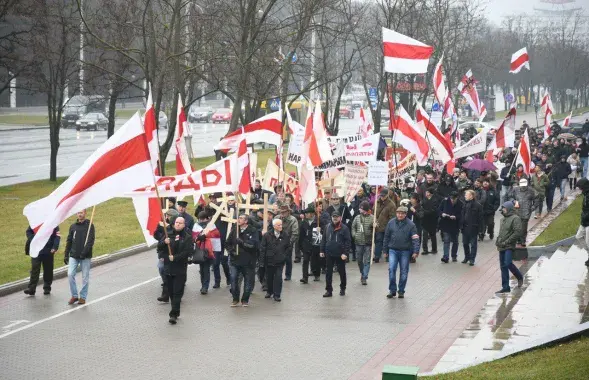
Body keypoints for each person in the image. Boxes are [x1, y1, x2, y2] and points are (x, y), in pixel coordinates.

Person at [158, 217, 192, 324]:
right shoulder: (168, 234)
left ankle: (173, 314)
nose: (177, 224)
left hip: (180, 269)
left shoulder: (187, 237)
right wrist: (164, 242)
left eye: (180, 223)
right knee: (171, 292)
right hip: (168, 269)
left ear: (184, 225)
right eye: (176, 222)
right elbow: (159, 249)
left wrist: (176, 257)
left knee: (178, 292)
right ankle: (176, 310)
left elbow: (187, 252)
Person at [383, 206, 420, 299]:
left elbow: (415, 238)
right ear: (396, 213)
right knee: (391, 269)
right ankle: (392, 290)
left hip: (405, 251)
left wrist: (416, 251)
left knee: (404, 272)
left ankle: (401, 291)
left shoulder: (411, 225)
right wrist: (385, 250)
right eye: (398, 213)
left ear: (405, 214)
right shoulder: (391, 223)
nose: (400, 215)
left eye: (402, 213)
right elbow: (386, 237)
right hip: (393, 250)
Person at [226, 214, 259, 307]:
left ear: (246, 221)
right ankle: (235, 299)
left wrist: (242, 243)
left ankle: (245, 300)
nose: (239, 220)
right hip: (235, 260)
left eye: (241, 218)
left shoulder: (253, 231)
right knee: (233, 280)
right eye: (238, 218)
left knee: (248, 281)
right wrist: (231, 251)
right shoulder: (235, 230)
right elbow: (227, 243)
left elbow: (254, 246)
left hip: (248, 261)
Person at [64, 209, 95, 305]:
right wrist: (66, 254)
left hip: (85, 257)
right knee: (70, 274)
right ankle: (74, 295)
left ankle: (83, 297)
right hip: (74, 255)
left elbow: (90, 241)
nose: (80, 214)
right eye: (78, 213)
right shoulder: (73, 227)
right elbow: (69, 241)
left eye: (81, 212)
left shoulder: (90, 226)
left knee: (85, 277)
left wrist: (84, 253)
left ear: (85, 213)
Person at [320, 210, 352, 297]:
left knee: (342, 272)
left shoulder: (344, 228)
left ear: (340, 218)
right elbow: (324, 239)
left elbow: (348, 242)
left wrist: (345, 253)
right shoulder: (327, 227)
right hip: (329, 253)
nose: (335, 218)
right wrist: (322, 250)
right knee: (328, 273)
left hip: (340, 254)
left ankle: (343, 288)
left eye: (336, 217)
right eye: (333, 216)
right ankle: (329, 290)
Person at [495, 202, 524, 294]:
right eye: (502, 208)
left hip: (509, 246)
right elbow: (501, 232)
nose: (503, 210)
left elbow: (517, 232)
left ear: (509, 209)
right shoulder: (503, 219)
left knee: (507, 263)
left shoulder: (515, 218)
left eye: (504, 208)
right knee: (503, 266)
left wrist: (506, 242)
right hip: (501, 245)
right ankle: (505, 287)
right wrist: (498, 241)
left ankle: (519, 276)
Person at [260, 218, 291, 302]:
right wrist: (262, 261)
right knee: (269, 277)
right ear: (274, 226)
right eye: (278, 225)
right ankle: (269, 291)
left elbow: (288, 247)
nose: (281, 226)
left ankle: (277, 294)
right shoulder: (267, 235)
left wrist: (284, 255)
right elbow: (263, 248)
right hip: (269, 260)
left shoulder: (285, 235)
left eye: (281, 225)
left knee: (278, 277)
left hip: (280, 261)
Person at [24, 226, 60, 296]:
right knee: (34, 269)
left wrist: (55, 247)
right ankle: (31, 289)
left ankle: (47, 287)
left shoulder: (53, 221)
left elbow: (57, 236)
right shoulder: (36, 220)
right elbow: (28, 232)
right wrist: (34, 239)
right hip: (36, 250)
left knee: (48, 269)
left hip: (48, 249)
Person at [192, 211, 220, 295]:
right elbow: (193, 236)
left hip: (209, 250)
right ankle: (203, 285)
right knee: (202, 269)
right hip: (200, 249)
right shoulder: (196, 225)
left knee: (206, 269)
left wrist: (207, 236)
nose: (201, 220)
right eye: (200, 219)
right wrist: (198, 237)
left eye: (203, 219)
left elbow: (216, 235)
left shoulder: (211, 225)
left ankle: (205, 287)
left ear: (207, 218)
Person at [155, 208, 179, 302]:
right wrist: (159, 233)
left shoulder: (179, 229)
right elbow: (159, 240)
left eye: (168, 216)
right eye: (166, 216)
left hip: (175, 257)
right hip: (165, 255)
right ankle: (165, 295)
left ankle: (174, 295)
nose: (167, 217)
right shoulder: (163, 227)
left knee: (174, 276)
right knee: (164, 272)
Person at [506, 178, 537, 247]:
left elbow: (536, 199)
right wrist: (514, 202)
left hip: (526, 211)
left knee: (524, 227)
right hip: (517, 210)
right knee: (517, 226)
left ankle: (523, 240)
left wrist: (533, 207)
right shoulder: (515, 190)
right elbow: (510, 197)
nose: (523, 187)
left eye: (524, 185)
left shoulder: (531, 190)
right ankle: (519, 239)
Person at [351, 201, 374, 285]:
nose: (360, 210)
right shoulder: (357, 218)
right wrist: (354, 235)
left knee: (367, 261)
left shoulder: (372, 218)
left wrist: (375, 225)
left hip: (368, 242)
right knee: (359, 260)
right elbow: (353, 227)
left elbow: (376, 229)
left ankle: (364, 277)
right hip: (358, 242)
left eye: (361, 208)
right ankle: (362, 272)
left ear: (365, 209)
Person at [299, 206, 322, 283]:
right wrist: (300, 246)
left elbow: (325, 232)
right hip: (306, 244)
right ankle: (305, 277)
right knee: (305, 260)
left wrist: (320, 230)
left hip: (315, 244)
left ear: (312, 214)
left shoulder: (318, 221)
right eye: (305, 213)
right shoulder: (303, 223)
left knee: (315, 261)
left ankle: (316, 274)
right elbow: (301, 235)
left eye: (307, 213)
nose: (306, 215)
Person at [374, 187, 396, 263]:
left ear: (387, 195)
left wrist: (389, 227)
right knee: (378, 241)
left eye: (384, 196)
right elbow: (374, 212)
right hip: (378, 226)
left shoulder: (391, 204)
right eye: (381, 195)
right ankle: (377, 256)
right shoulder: (377, 202)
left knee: (387, 242)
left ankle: (387, 256)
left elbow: (392, 217)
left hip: (387, 227)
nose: (382, 197)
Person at [461, 190, 483, 266]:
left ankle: (472, 259)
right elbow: (462, 215)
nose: (465, 196)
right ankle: (467, 257)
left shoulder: (478, 205)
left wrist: (480, 230)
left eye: (466, 195)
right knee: (465, 244)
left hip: (473, 228)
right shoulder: (464, 204)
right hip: (465, 227)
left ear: (471, 196)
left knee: (473, 245)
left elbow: (480, 218)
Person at [439, 191, 462, 263]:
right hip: (446, 224)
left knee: (455, 241)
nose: (452, 200)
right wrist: (442, 214)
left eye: (454, 199)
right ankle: (445, 256)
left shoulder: (460, 203)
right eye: (451, 198)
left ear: (457, 198)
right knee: (446, 241)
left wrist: (455, 217)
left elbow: (462, 215)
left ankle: (454, 255)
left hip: (455, 225)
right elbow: (439, 210)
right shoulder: (445, 201)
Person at [279, 204, 299, 281]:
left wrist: (290, 242)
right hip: (277, 241)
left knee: (287, 259)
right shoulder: (277, 218)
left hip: (288, 241)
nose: (283, 213)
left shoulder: (293, 219)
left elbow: (295, 233)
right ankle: (278, 274)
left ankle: (288, 275)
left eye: (284, 212)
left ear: (288, 212)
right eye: (281, 212)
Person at [574, 178, 589, 267]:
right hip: (584, 221)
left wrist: (585, 216)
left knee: (588, 242)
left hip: (588, 222)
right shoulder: (586, 194)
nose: (579, 189)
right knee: (578, 236)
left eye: (580, 187)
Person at [421, 188, 439, 254]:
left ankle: (434, 249)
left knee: (432, 235)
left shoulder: (435, 200)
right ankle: (425, 249)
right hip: (425, 220)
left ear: (430, 193)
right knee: (425, 235)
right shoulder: (424, 199)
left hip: (432, 220)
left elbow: (433, 210)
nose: (426, 193)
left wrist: (424, 211)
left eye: (427, 192)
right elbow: (421, 206)